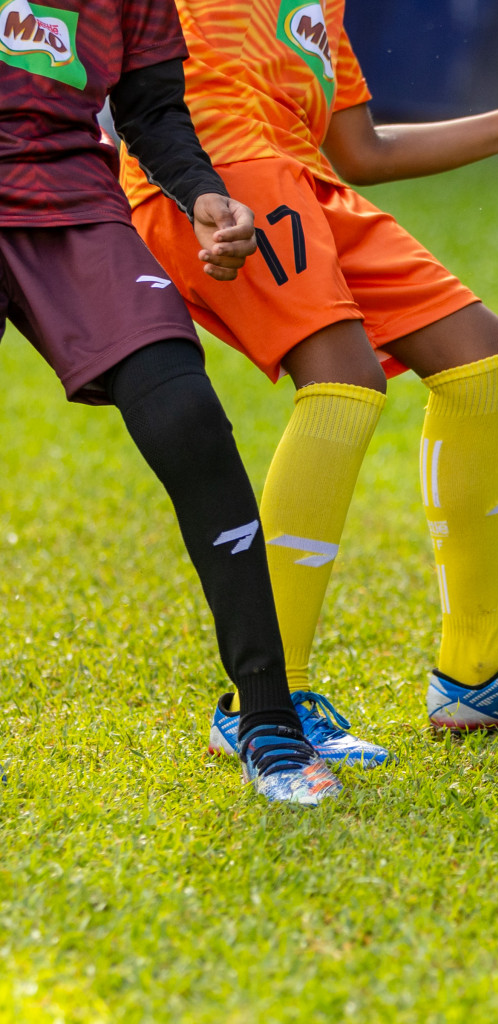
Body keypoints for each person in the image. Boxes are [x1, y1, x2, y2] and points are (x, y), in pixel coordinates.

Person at [119, 0, 498, 766]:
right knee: (345, 381)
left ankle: (476, 670)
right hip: (215, 180)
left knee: (481, 358)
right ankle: (264, 700)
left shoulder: (322, 8)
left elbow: (362, 149)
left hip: (307, 182)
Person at [2, 0, 337, 803]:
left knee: (185, 413)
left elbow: (149, 107)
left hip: (72, 202)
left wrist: (203, 194)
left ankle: (267, 719)